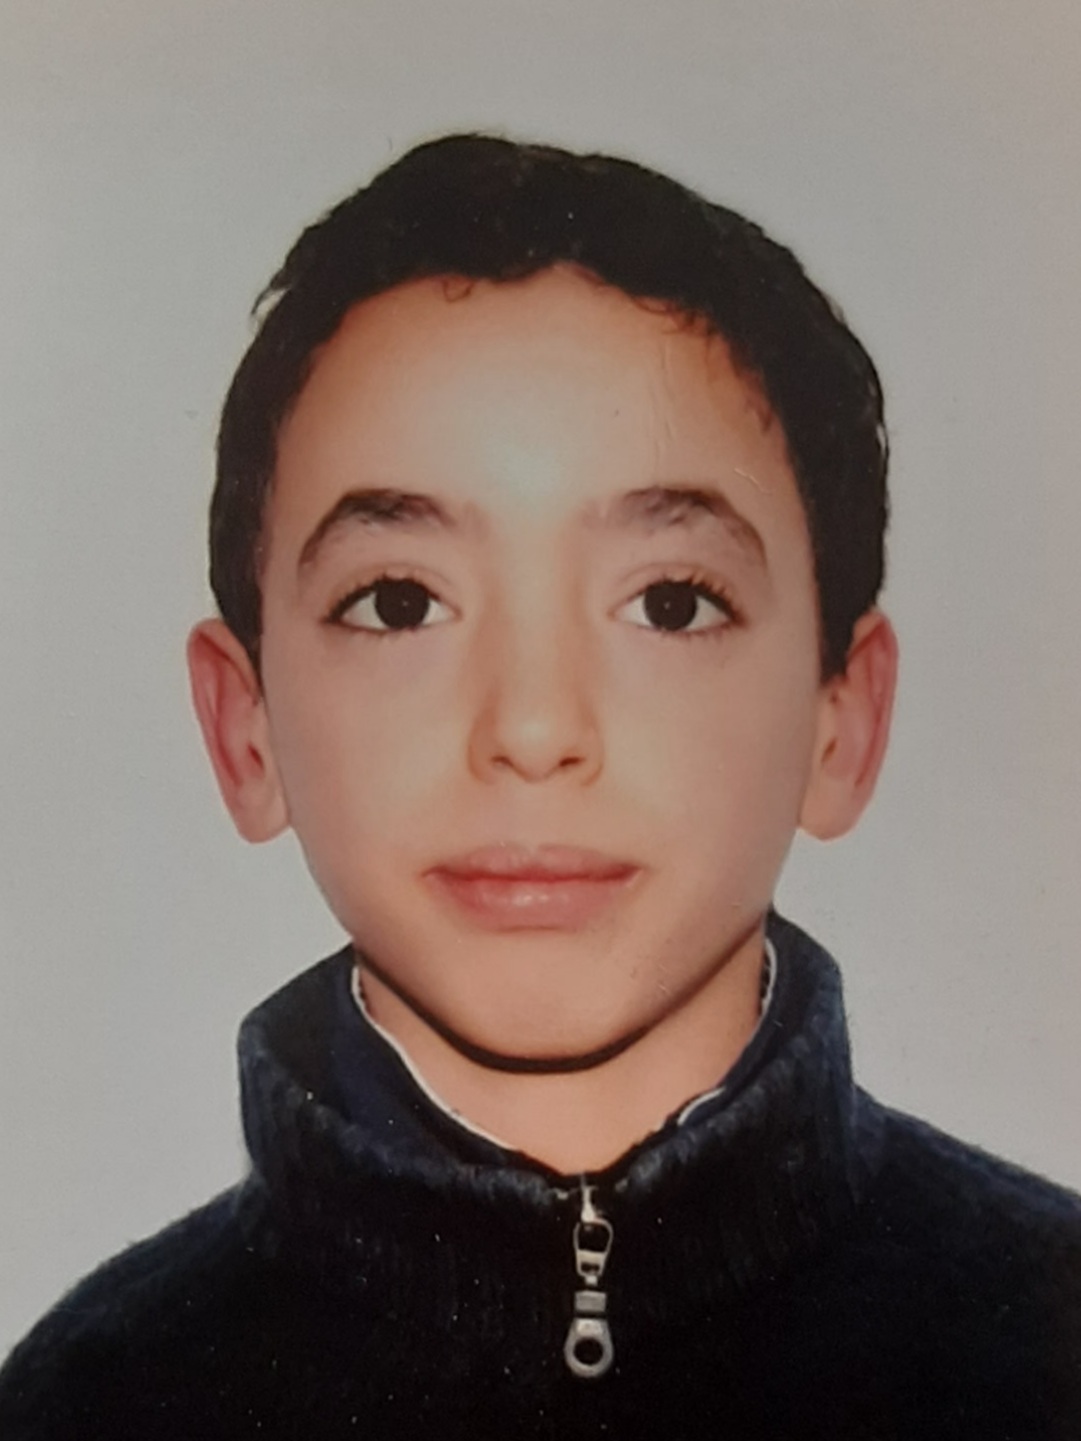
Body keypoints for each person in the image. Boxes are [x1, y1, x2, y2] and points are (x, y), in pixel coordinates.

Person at [1, 132, 1078, 1439]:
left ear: (841, 720)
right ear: (246, 730)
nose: (531, 728)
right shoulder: (84, 1402)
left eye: (669, 602)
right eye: (399, 602)